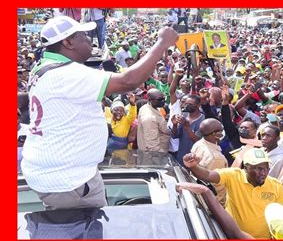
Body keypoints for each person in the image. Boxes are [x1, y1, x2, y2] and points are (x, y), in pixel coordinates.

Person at [21, 16, 178, 210]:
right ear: (68, 42)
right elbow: (128, 80)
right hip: (68, 182)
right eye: (84, 35)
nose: (90, 39)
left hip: (56, 173)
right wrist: (162, 42)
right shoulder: (66, 73)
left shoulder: (43, 67)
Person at [183, 148, 283, 239]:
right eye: (258, 168)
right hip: (232, 236)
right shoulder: (233, 176)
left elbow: (278, 219)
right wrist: (193, 166)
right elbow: (208, 175)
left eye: (266, 168)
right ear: (246, 168)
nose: (263, 173)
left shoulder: (277, 186)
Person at [190, 118, 228, 205]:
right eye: (221, 130)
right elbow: (218, 187)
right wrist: (221, 206)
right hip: (212, 204)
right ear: (215, 134)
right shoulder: (216, 158)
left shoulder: (199, 144)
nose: (222, 132)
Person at [171, 95, 205, 166]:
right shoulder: (184, 115)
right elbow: (175, 135)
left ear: (198, 105)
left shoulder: (203, 120)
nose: (187, 106)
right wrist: (174, 125)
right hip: (181, 156)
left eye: (190, 104)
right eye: (186, 104)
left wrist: (186, 127)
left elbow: (197, 140)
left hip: (194, 159)